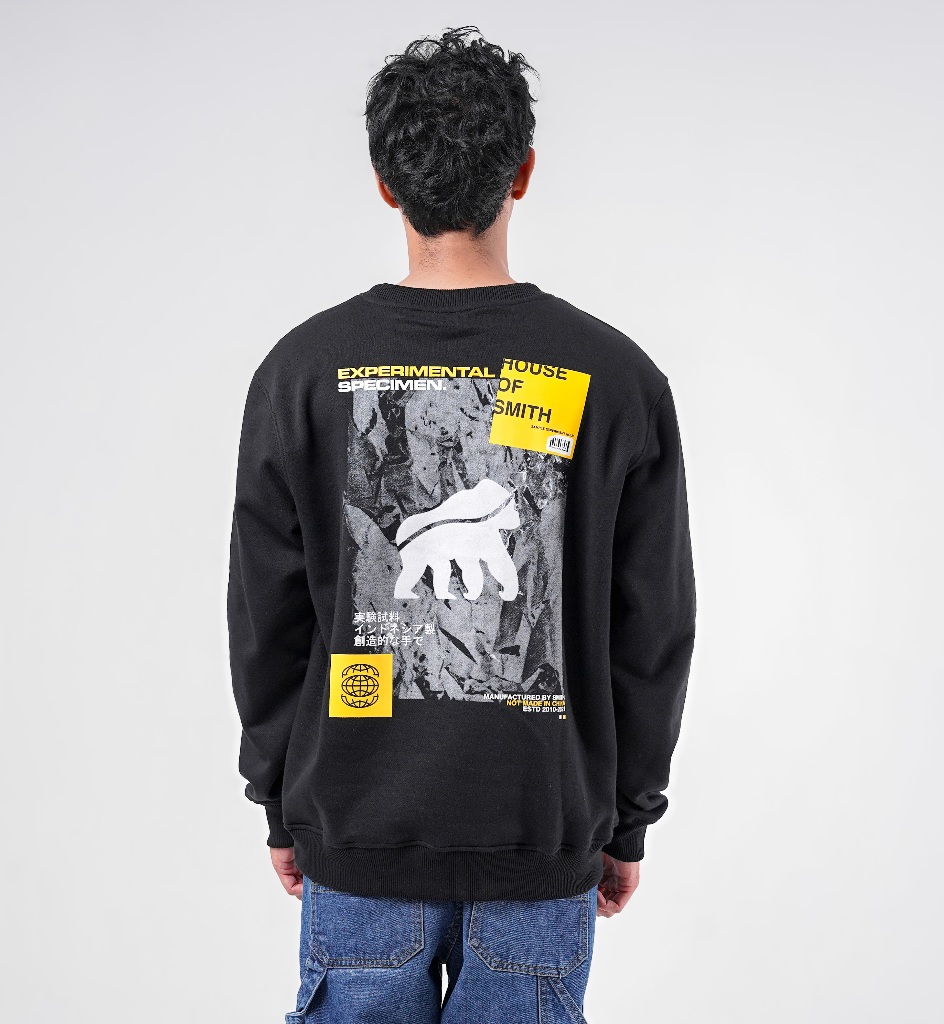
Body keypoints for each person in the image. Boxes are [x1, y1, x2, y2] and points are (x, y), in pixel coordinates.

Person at [227, 25, 696, 1023]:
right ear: (522, 173)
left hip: (357, 827)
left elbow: (265, 619)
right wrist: (627, 820)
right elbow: (652, 630)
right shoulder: (615, 377)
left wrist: (280, 798)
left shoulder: (303, 372)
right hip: (542, 831)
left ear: (383, 183)